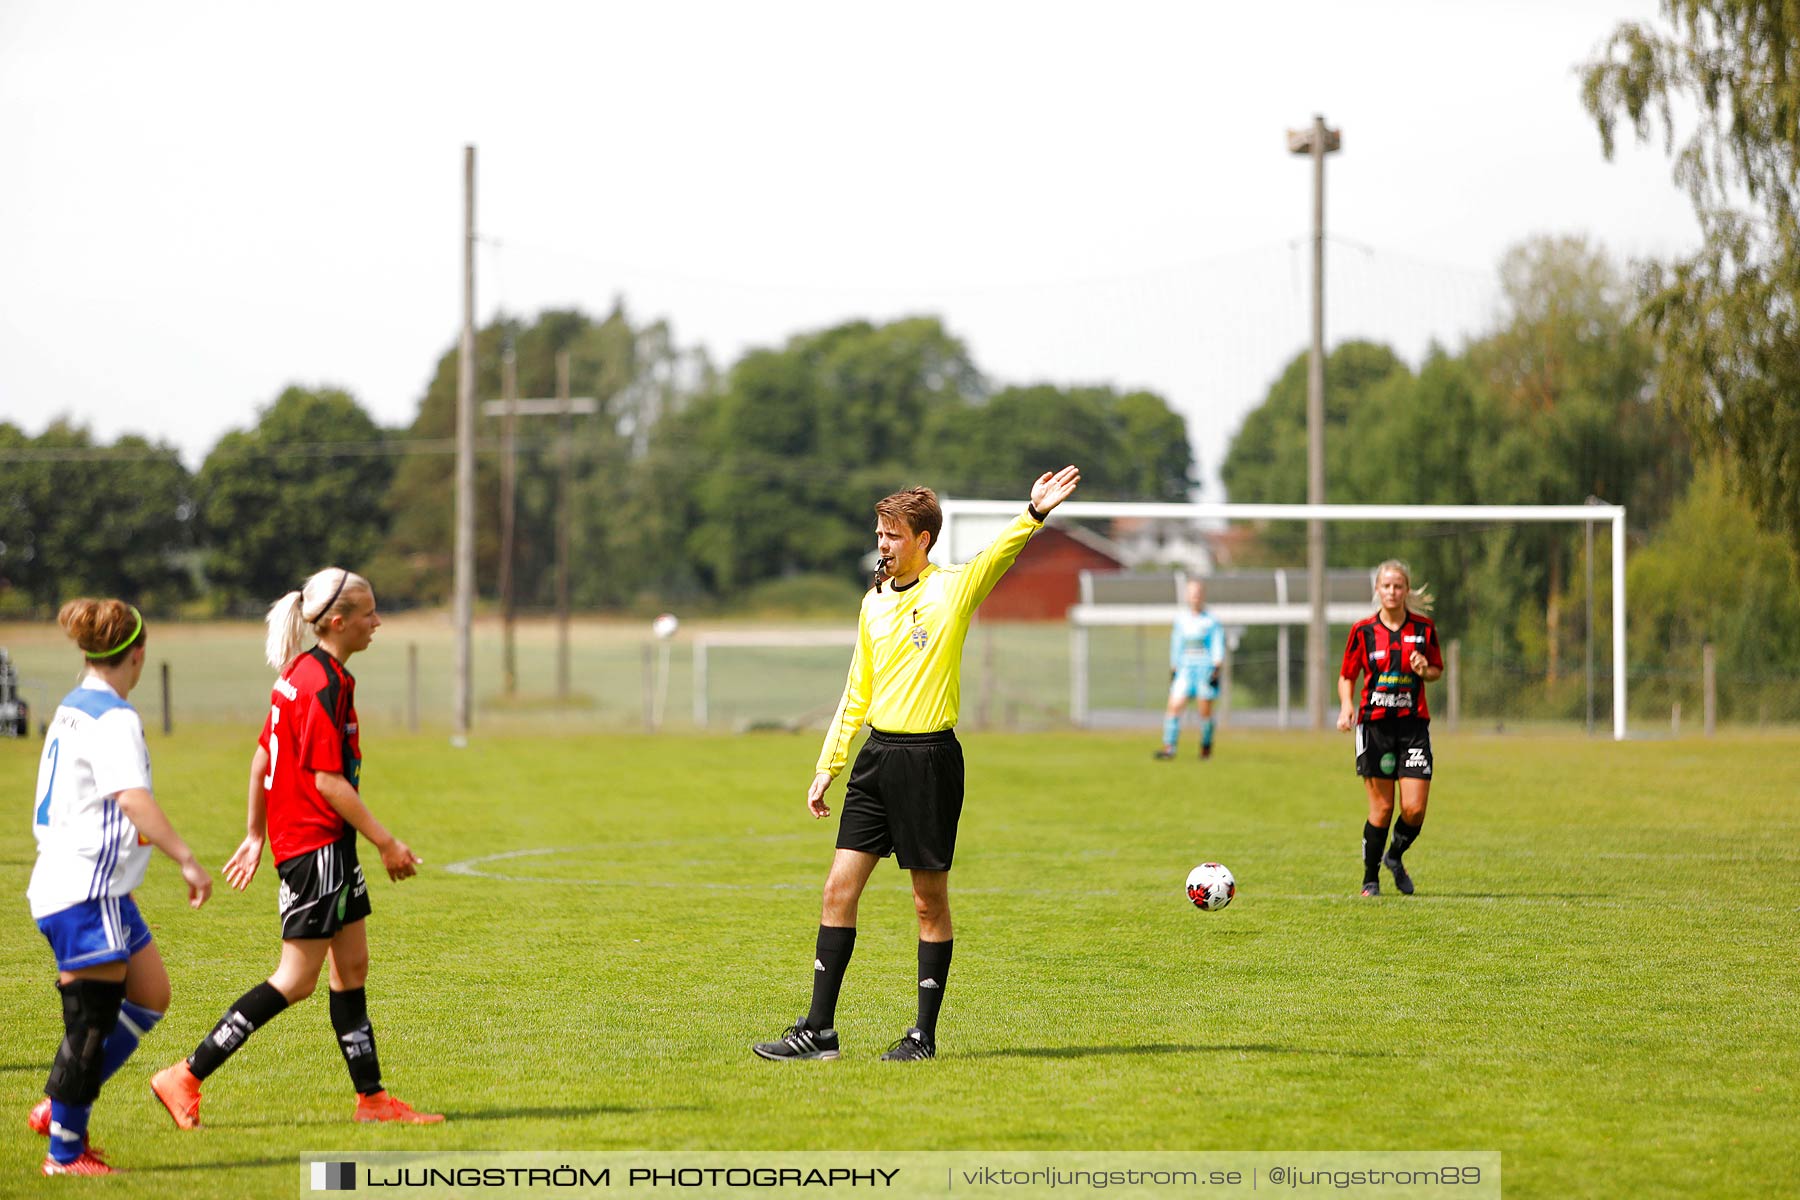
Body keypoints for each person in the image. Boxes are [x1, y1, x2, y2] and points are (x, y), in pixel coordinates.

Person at [753, 466, 1082, 1063]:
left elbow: (1000, 553)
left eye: (894, 535)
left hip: (930, 760)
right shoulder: (873, 603)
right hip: (877, 761)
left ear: (923, 539)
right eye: (880, 533)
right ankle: (818, 1031)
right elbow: (857, 688)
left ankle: (922, 1036)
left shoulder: (953, 587)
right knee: (836, 891)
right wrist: (829, 762)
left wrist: (1033, 514)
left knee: (928, 902)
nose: (884, 544)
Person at [150, 568, 442, 1127]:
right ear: (338, 622)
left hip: (323, 844)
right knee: (296, 979)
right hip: (316, 848)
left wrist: (256, 833)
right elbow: (328, 781)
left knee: (351, 967)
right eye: (369, 614)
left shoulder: (301, 672)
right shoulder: (322, 683)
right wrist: (388, 842)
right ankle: (184, 1075)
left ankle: (374, 1101)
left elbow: (264, 754)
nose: (377, 622)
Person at [27, 600, 213, 1176]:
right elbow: (132, 798)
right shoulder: (115, 717)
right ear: (137, 656)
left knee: (151, 995)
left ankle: (61, 1104)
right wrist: (187, 858)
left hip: (94, 886)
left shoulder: (74, 705)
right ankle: (65, 1150)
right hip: (84, 890)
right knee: (90, 1025)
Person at [1336, 559, 1443, 898]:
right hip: (1375, 728)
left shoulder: (1424, 630)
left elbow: (1436, 671)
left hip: (1412, 728)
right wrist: (1347, 705)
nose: (1392, 591)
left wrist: (1424, 669)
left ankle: (1394, 857)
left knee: (1414, 809)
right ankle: (1370, 879)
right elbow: (1346, 675)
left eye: (1398, 586)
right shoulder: (1363, 631)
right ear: (1377, 590)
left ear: (1406, 590)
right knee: (1382, 808)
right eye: (1386, 586)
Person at [1154, 579, 1226, 760]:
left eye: (1198, 593)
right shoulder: (1181, 620)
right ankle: (1169, 747)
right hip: (1185, 669)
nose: (1195, 597)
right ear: (1187, 596)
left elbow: (1217, 644)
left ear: (1202, 595)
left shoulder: (1211, 620)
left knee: (1205, 711)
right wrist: (1174, 666)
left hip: (1205, 669)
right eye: (1191, 593)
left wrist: (1217, 666)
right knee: (1174, 706)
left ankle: (1205, 748)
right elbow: (1176, 644)